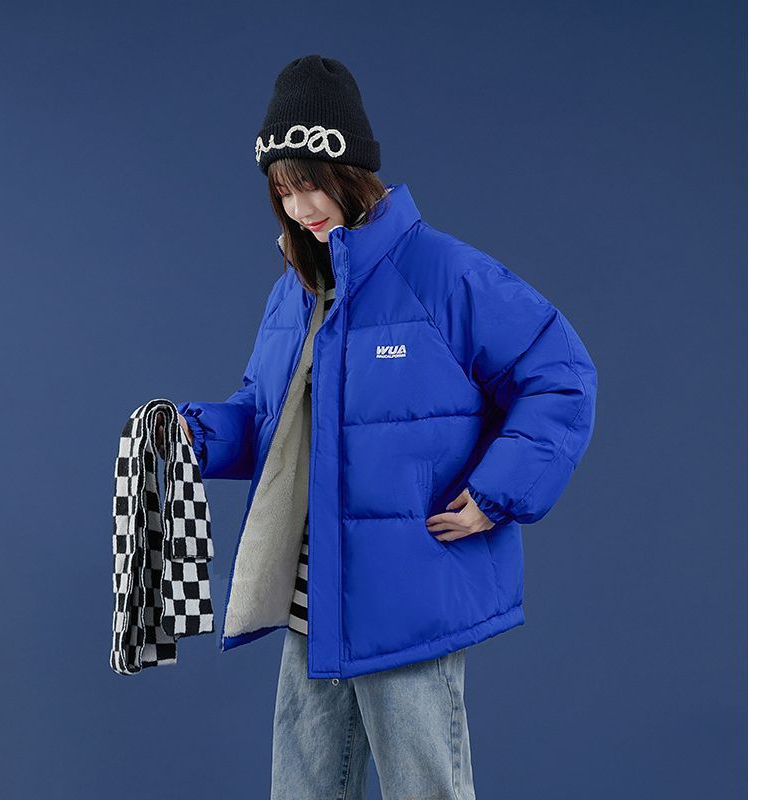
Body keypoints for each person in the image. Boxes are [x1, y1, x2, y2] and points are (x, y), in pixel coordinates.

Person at [160, 54, 598, 800]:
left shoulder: (442, 274)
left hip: (408, 601)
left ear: (351, 169)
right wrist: (190, 436)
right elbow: (271, 424)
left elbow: (561, 375)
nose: (301, 207)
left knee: (425, 790)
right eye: (283, 189)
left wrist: (499, 492)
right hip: (311, 602)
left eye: (311, 182)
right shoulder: (295, 292)